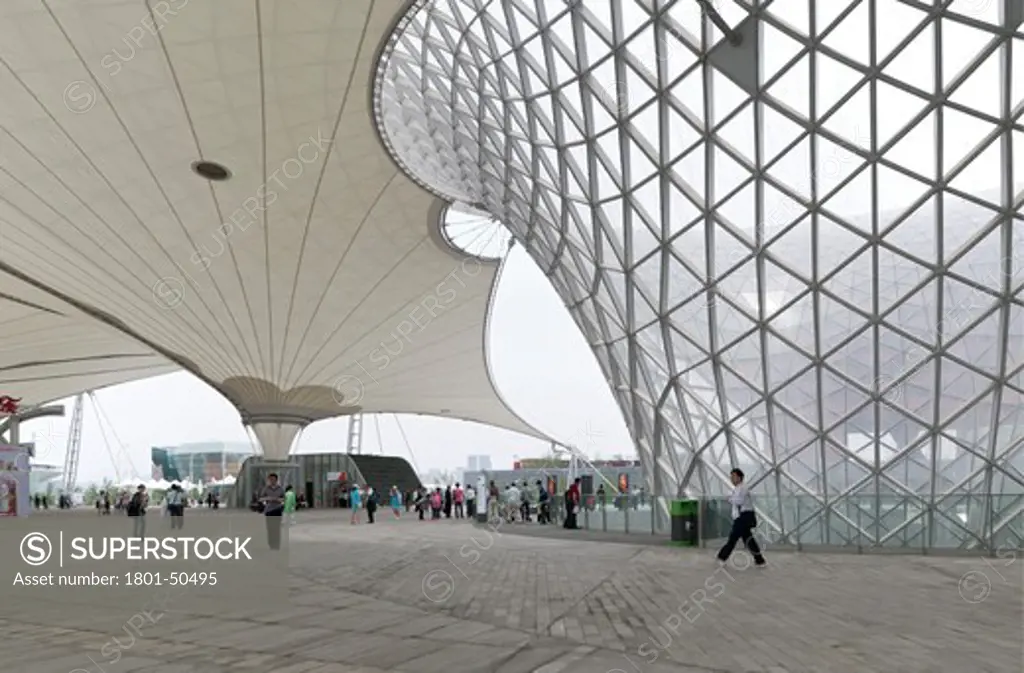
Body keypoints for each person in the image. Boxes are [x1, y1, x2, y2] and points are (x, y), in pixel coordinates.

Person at [716, 468, 766, 567]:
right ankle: (760, 560)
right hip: (742, 517)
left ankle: (722, 557)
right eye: (731, 476)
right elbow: (736, 500)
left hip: (743, 517)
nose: (732, 479)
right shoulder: (738, 488)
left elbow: (738, 501)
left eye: (734, 476)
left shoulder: (743, 488)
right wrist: (732, 497)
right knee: (749, 539)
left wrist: (730, 498)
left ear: (740, 477)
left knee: (733, 538)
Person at [258, 473, 286, 550]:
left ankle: (277, 544)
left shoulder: (280, 489)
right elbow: (260, 499)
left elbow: (284, 499)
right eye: (270, 479)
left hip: (277, 510)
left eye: (273, 479)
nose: (272, 481)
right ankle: (271, 543)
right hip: (269, 510)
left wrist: (278, 499)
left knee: (276, 528)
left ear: (276, 480)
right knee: (270, 528)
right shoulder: (266, 489)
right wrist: (268, 498)